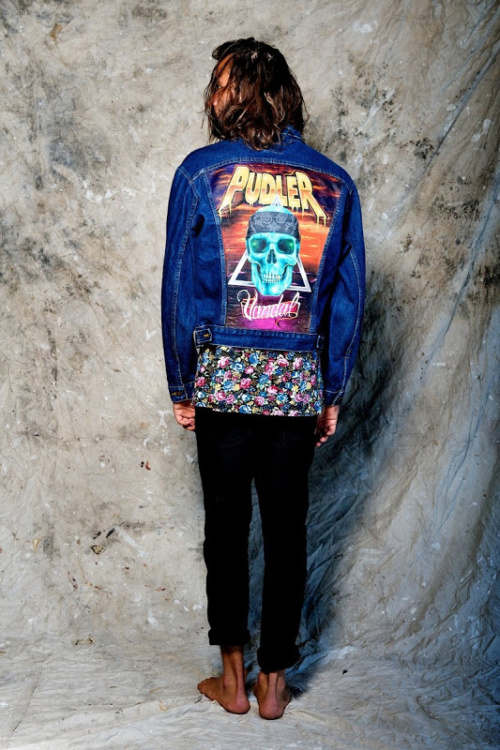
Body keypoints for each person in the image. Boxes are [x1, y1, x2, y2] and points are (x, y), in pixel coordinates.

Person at [161, 38, 365, 719]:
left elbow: (178, 287)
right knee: (286, 530)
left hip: (221, 380)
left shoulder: (200, 172)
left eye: (218, 86)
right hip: (296, 384)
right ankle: (275, 683)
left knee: (225, 529)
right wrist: (329, 391)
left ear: (230, 96)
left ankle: (232, 680)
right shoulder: (334, 182)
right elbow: (347, 298)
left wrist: (183, 382)